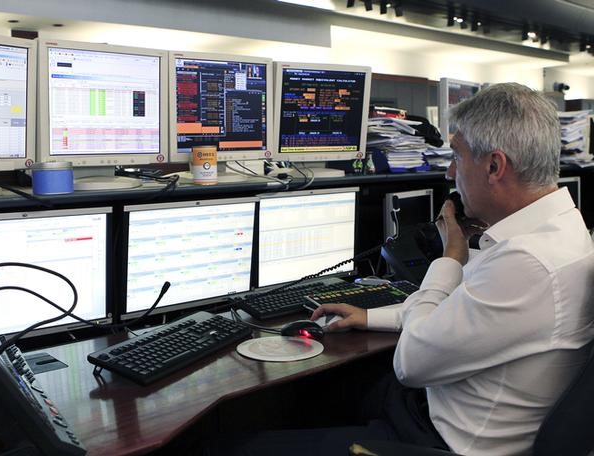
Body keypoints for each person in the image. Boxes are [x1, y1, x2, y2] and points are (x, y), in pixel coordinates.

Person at [204, 83, 594, 456]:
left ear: (494, 166)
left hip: (442, 440)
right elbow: (463, 314)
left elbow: (411, 363)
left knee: (243, 446)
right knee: (322, 395)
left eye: (456, 157)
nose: (449, 174)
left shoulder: (525, 262)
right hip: (451, 411)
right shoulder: (561, 233)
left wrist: (449, 259)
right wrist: (372, 316)